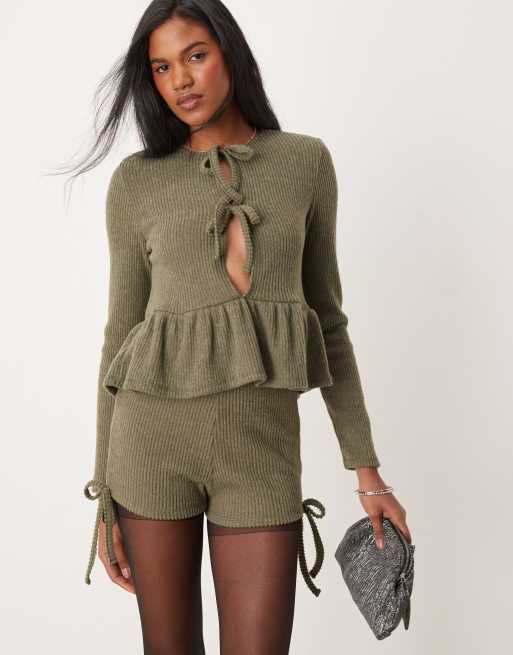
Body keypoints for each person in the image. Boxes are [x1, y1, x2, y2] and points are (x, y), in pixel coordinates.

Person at [67, 1, 413, 653]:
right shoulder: (136, 182)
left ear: (230, 52)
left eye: (195, 55)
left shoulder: (304, 163)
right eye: (161, 67)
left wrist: (366, 471)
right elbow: (120, 334)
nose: (180, 80)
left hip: (260, 452)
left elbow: (328, 321)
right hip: (150, 448)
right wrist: (105, 493)